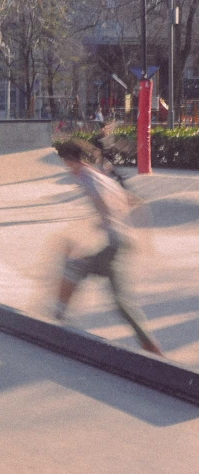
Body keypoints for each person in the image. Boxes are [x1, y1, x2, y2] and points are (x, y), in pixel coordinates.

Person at [53, 139, 162, 355]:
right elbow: (135, 202)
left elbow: (101, 199)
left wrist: (107, 217)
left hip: (114, 245)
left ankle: (55, 321)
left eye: (66, 164)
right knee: (121, 301)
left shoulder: (86, 176)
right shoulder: (103, 176)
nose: (67, 169)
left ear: (72, 160)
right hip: (123, 242)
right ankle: (149, 344)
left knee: (74, 266)